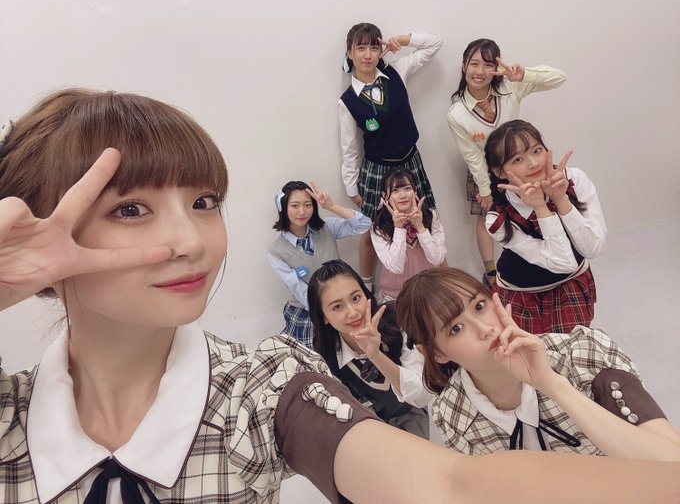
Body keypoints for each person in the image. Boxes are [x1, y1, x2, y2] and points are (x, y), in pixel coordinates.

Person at [1, 90, 680, 504]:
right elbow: (353, 279)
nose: (191, 241)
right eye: (130, 209)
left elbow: (450, 485)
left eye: (204, 202)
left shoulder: (266, 388)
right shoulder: (12, 422)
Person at [396, 266, 680, 459]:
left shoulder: (583, 353)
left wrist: (552, 383)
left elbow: (671, 464)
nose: (485, 329)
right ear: (436, 353)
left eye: (479, 306)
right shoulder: (452, 413)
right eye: (455, 329)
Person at [447, 38, 566, 288]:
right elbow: (472, 156)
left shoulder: (510, 88)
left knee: (531, 211)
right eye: (474, 64)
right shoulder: (457, 113)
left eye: (488, 65)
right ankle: (491, 271)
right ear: (464, 66)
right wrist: (485, 189)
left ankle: (541, 259)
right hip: (484, 172)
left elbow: (559, 78)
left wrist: (525, 74)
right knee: (486, 219)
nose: (480, 71)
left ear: (497, 67)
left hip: (522, 167)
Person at [339, 22, 441, 291]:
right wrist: (352, 188)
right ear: (350, 53)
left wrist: (401, 40)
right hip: (377, 170)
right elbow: (349, 148)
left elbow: (435, 43)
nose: (368, 55)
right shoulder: (347, 101)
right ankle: (366, 287)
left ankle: (440, 281)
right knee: (370, 230)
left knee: (426, 218)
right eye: (361, 48)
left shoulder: (396, 71)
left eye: (374, 47)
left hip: (411, 162)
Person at [484, 119, 606, 333]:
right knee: (531, 352)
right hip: (521, 294)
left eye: (536, 150)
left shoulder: (574, 179)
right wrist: (540, 207)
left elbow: (592, 248)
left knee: (573, 348)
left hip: (571, 284)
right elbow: (563, 261)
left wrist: (560, 199)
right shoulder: (497, 219)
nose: (533, 164)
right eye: (518, 159)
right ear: (499, 172)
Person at [307, 259, 432, 438]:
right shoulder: (326, 357)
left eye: (355, 298)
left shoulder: (397, 320)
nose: (353, 312)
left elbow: (421, 395)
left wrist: (376, 356)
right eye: (337, 306)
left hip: (411, 411)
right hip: (369, 424)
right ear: (323, 317)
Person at [268, 180, 370, 349]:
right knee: (316, 357)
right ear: (283, 208)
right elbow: (298, 288)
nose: (302, 211)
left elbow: (364, 225)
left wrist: (331, 206)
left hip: (340, 304)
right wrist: (325, 312)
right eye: (295, 206)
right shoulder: (276, 252)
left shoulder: (326, 227)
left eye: (308, 205)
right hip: (308, 310)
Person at [371, 168, 446, 301]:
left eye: (407, 188)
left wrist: (420, 227)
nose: (403, 195)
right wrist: (399, 228)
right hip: (396, 295)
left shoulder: (430, 216)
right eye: (395, 190)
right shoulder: (379, 227)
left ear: (415, 190)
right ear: (384, 196)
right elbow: (396, 267)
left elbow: (437, 259)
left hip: (428, 289)